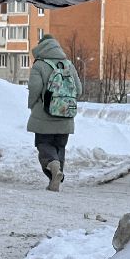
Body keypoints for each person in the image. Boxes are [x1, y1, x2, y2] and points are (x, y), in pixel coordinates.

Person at [26, 33, 80, 191]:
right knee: (59, 147)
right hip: (66, 115)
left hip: (44, 114)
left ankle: (53, 166)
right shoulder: (68, 65)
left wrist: (32, 105)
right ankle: (55, 179)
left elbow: (35, 88)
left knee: (44, 144)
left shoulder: (39, 65)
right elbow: (79, 89)